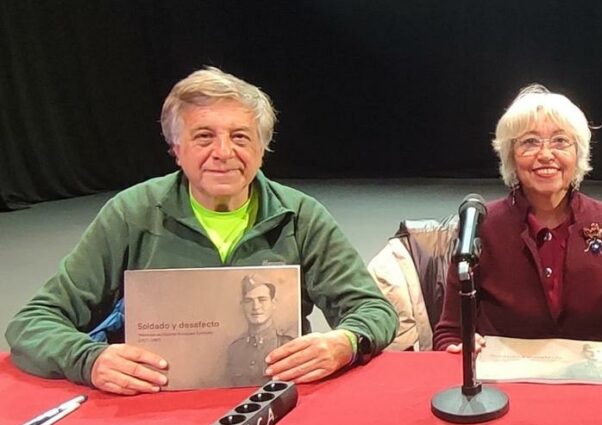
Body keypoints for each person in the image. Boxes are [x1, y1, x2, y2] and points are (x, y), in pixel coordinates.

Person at [4, 66, 398, 395]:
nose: (224, 153)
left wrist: (345, 342)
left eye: (240, 137)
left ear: (262, 148)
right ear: (176, 148)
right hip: (151, 401)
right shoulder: (132, 213)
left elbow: (373, 310)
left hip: (275, 397)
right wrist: (89, 360)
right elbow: (32, 323)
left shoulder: (300, 215)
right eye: (204, 136)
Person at [433, 84, 602, 352]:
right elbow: (450, 331)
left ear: (578, 154)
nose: (546, 155)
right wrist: (460, 346)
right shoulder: (481, 227)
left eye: (560, 141)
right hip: (502, 385)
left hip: (584, 379)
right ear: (511, 157)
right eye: (530, 142)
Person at [226, 275, 295, 386]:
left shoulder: (288, 344)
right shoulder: (235, 349)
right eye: (249, 301)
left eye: (262, 300)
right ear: (242, 305)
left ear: (274, 303)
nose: (256, 307)